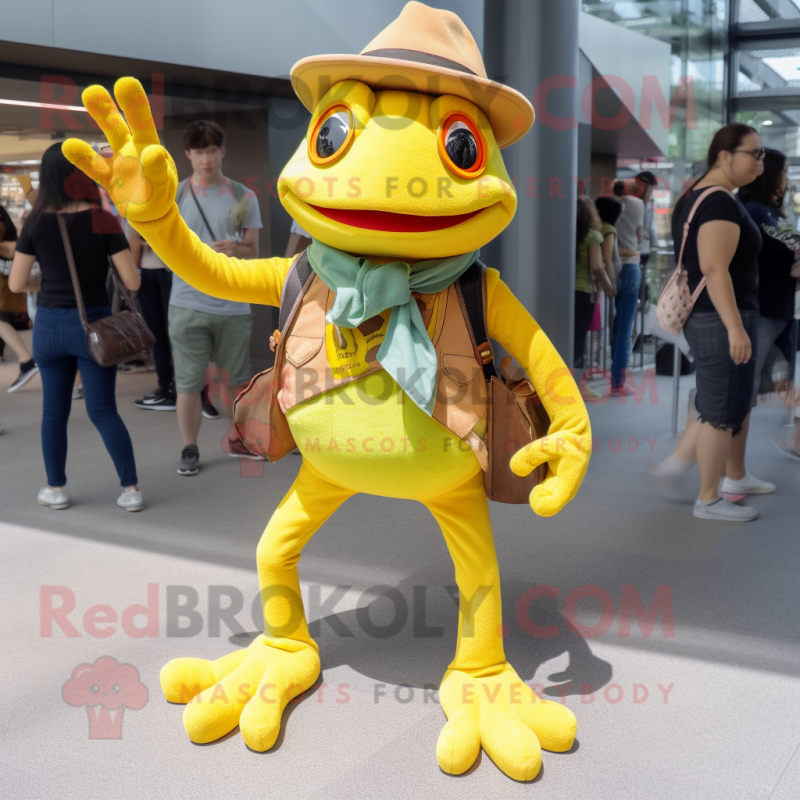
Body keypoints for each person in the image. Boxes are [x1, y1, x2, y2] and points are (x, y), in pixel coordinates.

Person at [7, 142, 143, 512]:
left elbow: (17, 284)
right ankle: (130, 490)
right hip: (95, 325)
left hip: (50, 326)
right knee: (104, 411)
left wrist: (47, 282)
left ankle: (56, 488)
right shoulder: (104, 220)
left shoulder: (35, 222)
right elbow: (132, 283)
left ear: (46, 177)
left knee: (54, 412)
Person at [649, 123, 765, 521]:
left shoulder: (696, 196)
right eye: (755, 154)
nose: (760, 164)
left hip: (710, 318)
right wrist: (736, 327)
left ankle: (690, 470)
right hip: (718, 319)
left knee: (712, 398)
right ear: (725, 156)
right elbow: (715, 269)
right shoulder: (718, 202)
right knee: (721, 408)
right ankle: (709, 498)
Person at [169, 119, 264, 476]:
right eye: (198, 151)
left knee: (235, 379)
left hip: (232, 302)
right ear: (188, 155)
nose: (205, 158)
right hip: (186, 302)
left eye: (211, 150)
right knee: (189, 383)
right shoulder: (176, 195)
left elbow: (253, 249)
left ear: (221, 152)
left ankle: (238, 436)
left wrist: (234, 248)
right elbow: (162, 247)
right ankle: (189, 448)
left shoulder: (243, 195)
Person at [737, 148, 800, 471]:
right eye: (784, 171)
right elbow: (794, 244)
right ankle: (725, 472)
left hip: (774, 311)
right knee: (740, 393)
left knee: (771, 382)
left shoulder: (769, 213)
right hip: (761, 311)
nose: (786, 179)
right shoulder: (757, 213)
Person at [126, 221, 176, 410]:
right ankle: (172, 388)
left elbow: (134, 243)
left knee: (164, 335)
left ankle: (169, 388)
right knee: (166, 335)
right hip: (164, 270)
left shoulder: (135, 205)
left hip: (157, 271)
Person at [610, 177, 650, 394]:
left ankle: (607, 373)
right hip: (631, 267)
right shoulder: (638, 205)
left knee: (613, 328)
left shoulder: (608, 204)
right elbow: (640, 235)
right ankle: (618, 382)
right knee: (625, 329)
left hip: (611, 268)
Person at [574, 197, 614, 385]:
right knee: (579, 341)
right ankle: (580, 386)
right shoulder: (592, 236)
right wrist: (609, 288)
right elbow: (597, 267)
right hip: (584, 293)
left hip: (565, 294)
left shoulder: (565, 234)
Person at [0, 202, 39, 393]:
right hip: (19, 296)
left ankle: (27, 360)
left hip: (14, 296)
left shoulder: (11, 246)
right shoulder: (17, 244)